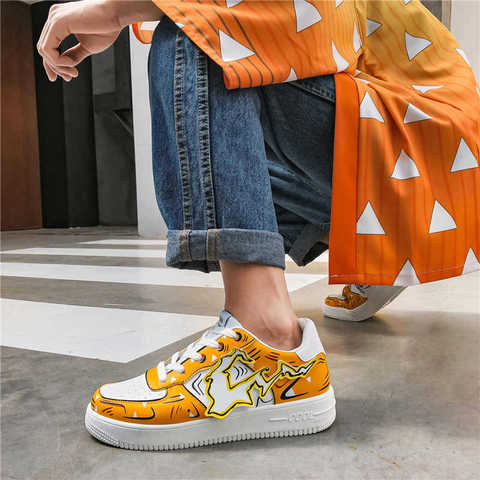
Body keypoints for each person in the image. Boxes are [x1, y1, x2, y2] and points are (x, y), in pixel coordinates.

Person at [37, 0, 479, 450]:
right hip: (437, 164)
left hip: (426, 146)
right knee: (217, 82)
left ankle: (266, 337)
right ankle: (377, 256)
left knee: (196, 32)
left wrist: (118, 11)